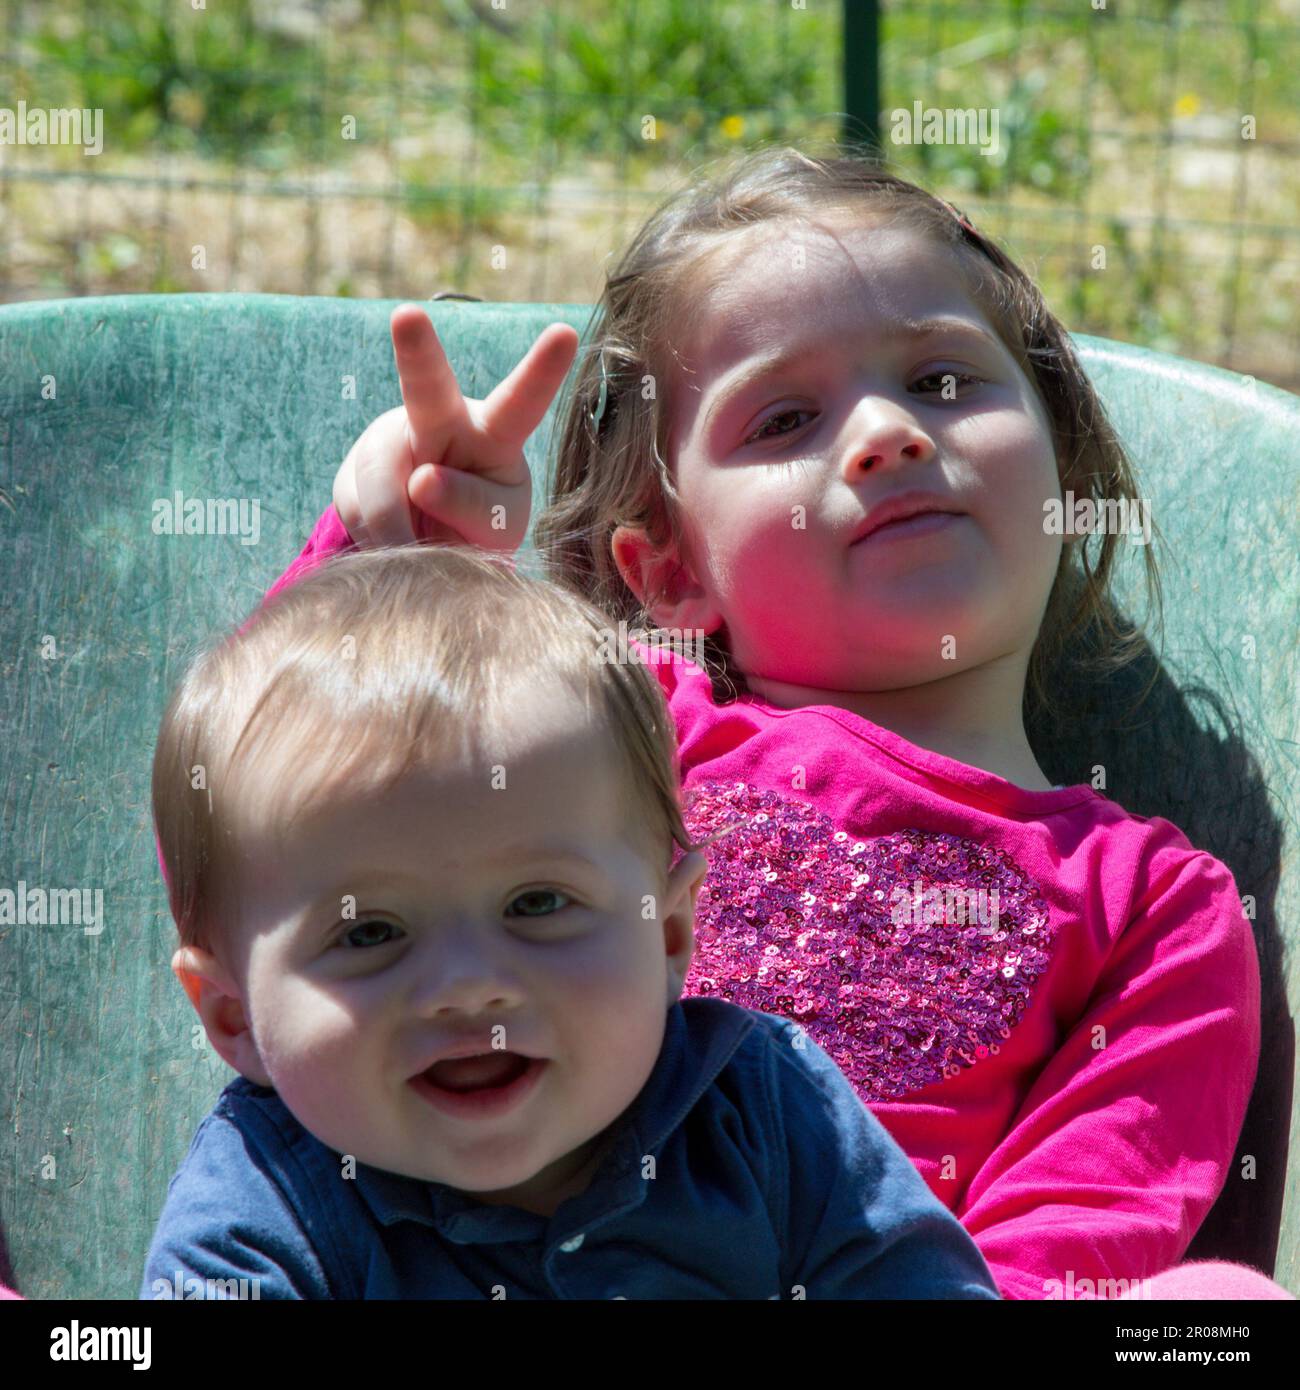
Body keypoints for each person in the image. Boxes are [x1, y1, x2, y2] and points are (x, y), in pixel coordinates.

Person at [267, 143, 1293, 1301]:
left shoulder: (1156, 909)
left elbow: (1071, 1239)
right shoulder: (610, 731)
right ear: (664, 574)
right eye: (786, 418)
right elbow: (266, 856)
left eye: (945, 382)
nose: (889, 435)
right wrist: (387, 561)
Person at [138, 542, 1000, 1299]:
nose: (470, 983)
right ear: (233, 1015)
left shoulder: (763, 1108)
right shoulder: (268, 1203)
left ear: (669, 937)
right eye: (369, 932)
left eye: (537, 904)